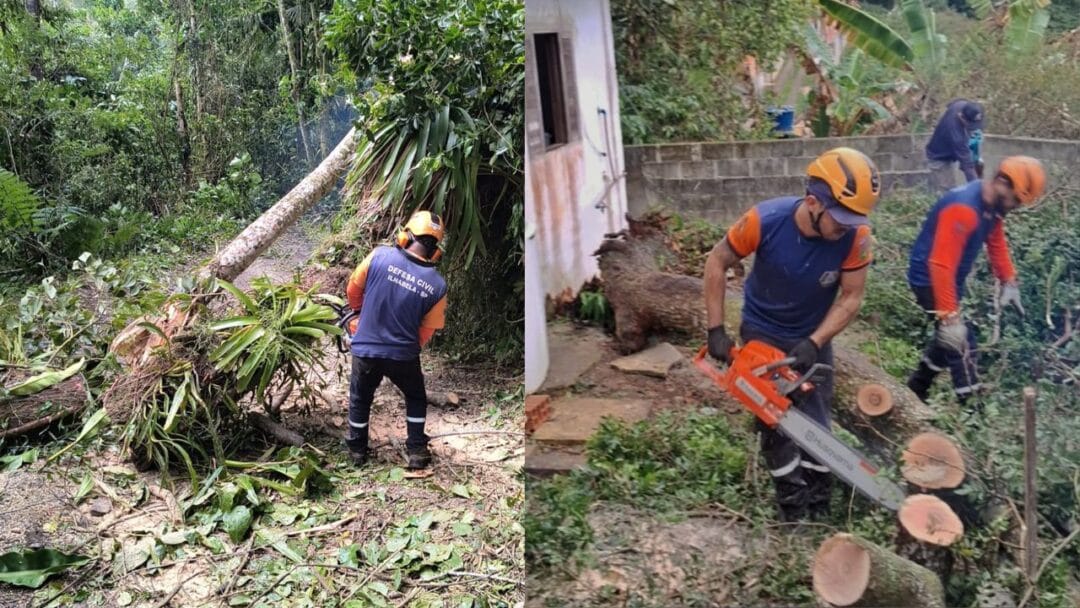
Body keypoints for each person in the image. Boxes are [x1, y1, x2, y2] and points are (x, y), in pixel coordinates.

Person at [704, 147, 880, 522]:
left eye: (853, 219)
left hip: (811, 336)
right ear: (813, 202)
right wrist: (715, 329)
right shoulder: (764, 220)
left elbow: (852, 298)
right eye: (839, 219)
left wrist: (815, 342)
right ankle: (792, 511)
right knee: (774, 426)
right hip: (761, 332)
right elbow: (716, 261)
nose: (845, 228)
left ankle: (819, 507)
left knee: (816, 425)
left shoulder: (856, 236)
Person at [905, 156, 1045, 405]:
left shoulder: (991, 206)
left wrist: (1009, 280)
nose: (1015, 207)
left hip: (951, 277)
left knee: (946, 338)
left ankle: (917, 386)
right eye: (1016, 201)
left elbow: (995, 241)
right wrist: (949, 316)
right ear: (1004, 183)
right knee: (961, 342)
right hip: (929, 278)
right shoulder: (964, 208)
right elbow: (940, 265)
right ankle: (971, 407)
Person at [344, 211, 449, 469]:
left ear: (406, 234)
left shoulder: (378, 256)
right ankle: (416, 451)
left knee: (360, 398)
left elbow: (353, 290)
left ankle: (357, 452)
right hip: (403, 355)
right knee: (415, 396)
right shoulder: (437, 285)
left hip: (365, 349)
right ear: (436, 250)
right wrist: (406, 346)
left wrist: (360, 312)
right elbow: (427, 330)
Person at [925, 99, 985, 191]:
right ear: (961, 117)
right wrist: (977, 190)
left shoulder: (963, 105)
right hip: (939, 159)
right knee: (948, 192)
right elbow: (967, 165)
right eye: (970, 125)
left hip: (953, 150)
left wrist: (976, 157)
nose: (973, 128)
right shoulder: (956, 135)